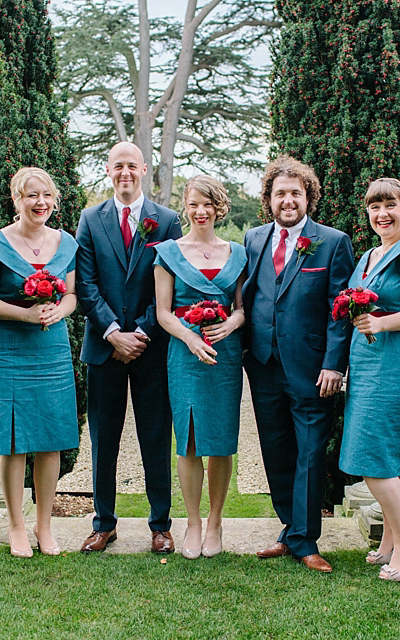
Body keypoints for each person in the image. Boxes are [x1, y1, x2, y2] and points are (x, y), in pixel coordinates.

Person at [242, 155, 354, 573]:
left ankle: (306, 540)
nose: (287, 201)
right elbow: (247, 297)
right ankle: (290, 528)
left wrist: (333, 364)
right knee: (275, 450)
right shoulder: (254, 239)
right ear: (268, 199)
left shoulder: (332, 241)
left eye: (295, 193)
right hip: (264, 364)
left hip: (312, 369)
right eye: (280, 194)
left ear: (308, 197)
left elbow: (338, 309)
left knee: (309, 453)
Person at [75, 141, 183, 554]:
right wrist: (112, 332)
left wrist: (139, 332)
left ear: (143, 169)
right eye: (117, 166)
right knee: (104, 439)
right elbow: (85, 284)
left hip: (150, 348)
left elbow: (169, 284)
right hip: (104, 349)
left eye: (131, 166)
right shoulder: (90, 219)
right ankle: (103, 523)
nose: (125, 173)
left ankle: (161, 525)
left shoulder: (167, 220)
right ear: (108, 170)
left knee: (155, 436)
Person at [339, 178, 400, 582]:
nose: (382, 214)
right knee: (382, 456)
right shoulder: (367, 256)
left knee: (375, 454)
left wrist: (382, 323)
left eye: (390, 205)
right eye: (374, 207)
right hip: (365, 361)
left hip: (394, 361)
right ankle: (388, 541)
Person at [0, 167, 79, 558]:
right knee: (14, 441)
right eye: (31, 195)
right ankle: (18, 526)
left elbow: (71, 294)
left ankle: (45, 525)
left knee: (51, 439)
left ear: (54, 200)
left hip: (50, 346)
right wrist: (23, 314)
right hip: (9, 346)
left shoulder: (66, 242)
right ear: (16, 199)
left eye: (46, 195)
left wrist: (61, 311)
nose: (40, 203)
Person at [154, 175, 247, 559]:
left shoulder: (238, 253)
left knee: (222, 442)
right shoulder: (168, 253)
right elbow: (162, 312)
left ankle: (215, 522)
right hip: (185, 352)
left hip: (225, 353)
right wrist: (191, 339)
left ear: (219, 207)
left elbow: (243, 307)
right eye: (193, 204)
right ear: (185, 207)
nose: (200, 211)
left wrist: (232, 323)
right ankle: (192, 522)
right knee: (189, 440)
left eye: (208, 204)